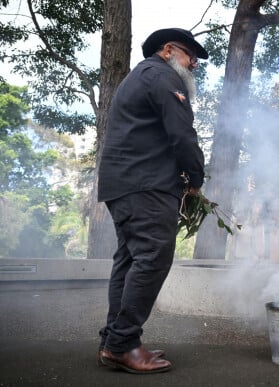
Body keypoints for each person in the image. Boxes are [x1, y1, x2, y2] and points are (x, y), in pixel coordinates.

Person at [96, 28, 208, 374]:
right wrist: (195, 178)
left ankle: (114, 339)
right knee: (153, 258)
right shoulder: (161, 75)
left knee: (130, 261)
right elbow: (181, 134)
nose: (194, 65)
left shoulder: (138, 76)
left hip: (126, 184)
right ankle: (122, 344)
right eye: (191, 56)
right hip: (146, 186)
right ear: (168, 50)